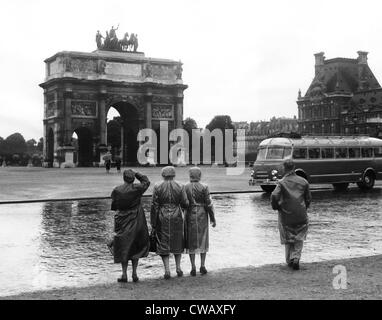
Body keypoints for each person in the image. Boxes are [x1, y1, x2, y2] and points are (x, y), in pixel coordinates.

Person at [109, 169, 150, 283]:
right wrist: (138, 173)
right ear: (133, 178)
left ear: (123, 178)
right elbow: (146, 181)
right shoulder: (137, 188)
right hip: (136, 218)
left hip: (122, 218)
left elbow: (114, 206)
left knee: (124, 246)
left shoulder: (117, 190)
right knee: (135, 245)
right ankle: (135, 273)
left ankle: (124, 274)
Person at [270, 159, 312, 270]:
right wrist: (305, 207)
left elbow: (274, 195)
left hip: (285, 214)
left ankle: (289, 260)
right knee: (300, 236)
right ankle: (296, 257)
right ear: (293, 168)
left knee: (288, 236)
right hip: (301, 214)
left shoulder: (282, 182)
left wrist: (276, 206)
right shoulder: (304, 182)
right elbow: (308, 198)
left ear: (284, 168)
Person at [150, 166, 188, 279]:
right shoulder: (180, 186)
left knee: (164, 242)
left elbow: (154, 205)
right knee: (177, 241)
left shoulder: (157, 186)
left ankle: (167, 270)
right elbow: (185, 203)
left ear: (163, 174)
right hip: (176, 215)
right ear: (173, 174)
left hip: (162, 216)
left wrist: (153, 223)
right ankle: (178, 268)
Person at [184, 167, 216, 276]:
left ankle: (193, 266)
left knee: (191, 240)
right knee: (203, 239)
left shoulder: (185, 187)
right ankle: (202, 265)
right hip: (202, 213)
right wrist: (213, 218)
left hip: (190, 213)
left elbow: (183, 203)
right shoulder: (204, 187)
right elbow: (209, 204)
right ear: (199, 175)